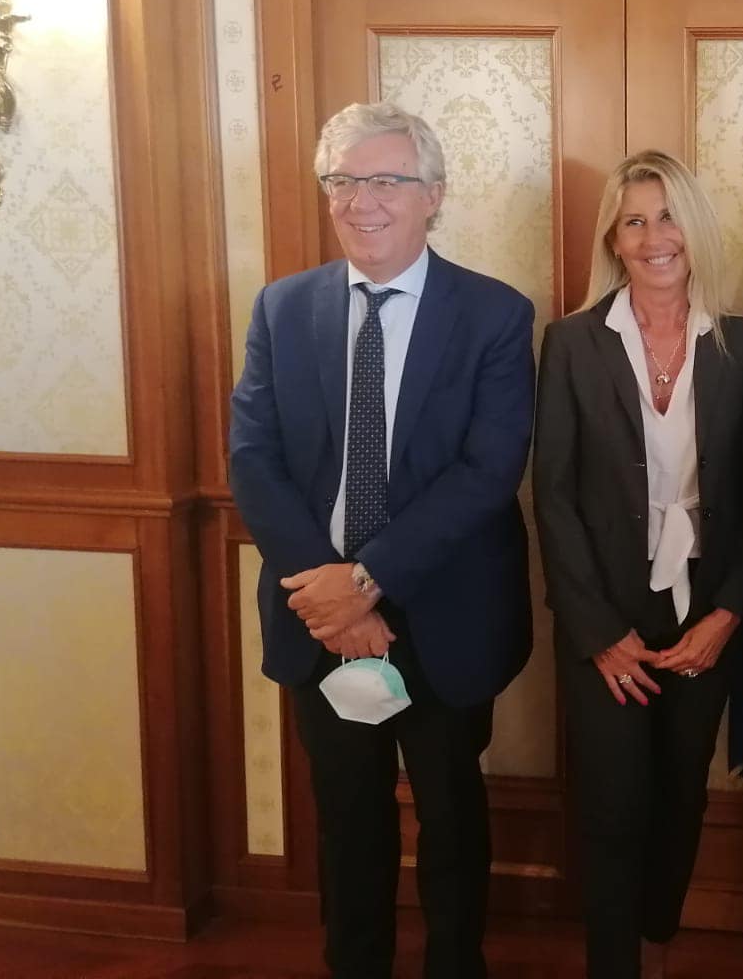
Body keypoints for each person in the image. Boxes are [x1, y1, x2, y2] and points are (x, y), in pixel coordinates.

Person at [229, 101, 536, 979]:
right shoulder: (283, 308)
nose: (363, 201)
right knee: (347, 818)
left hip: (444, 614)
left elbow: (487, 471)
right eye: (345, 180)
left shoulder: (494, 314)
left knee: (450, 816)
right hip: (317, 615)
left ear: (433, 195)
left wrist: (367, 580)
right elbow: (252, 457)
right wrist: (332, 592)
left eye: (388, 181)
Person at [533, 149, 743, 979]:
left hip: (706, 606)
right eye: (633, 221)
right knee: (611, 803)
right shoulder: (572, 342)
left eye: (667, 216)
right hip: (605, 610)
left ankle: (656, 944)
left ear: (693, 227)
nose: (652, 236)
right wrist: (598, 631)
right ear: (613, 238)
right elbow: (552, 494)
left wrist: (729, 614)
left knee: (680, 795)